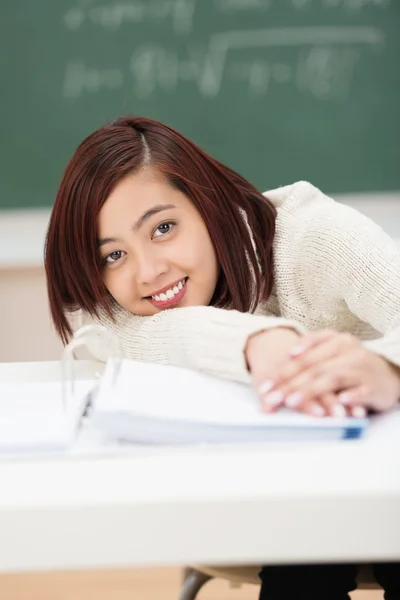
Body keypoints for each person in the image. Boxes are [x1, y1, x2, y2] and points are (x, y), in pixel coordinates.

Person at [45, 115, 400, 600]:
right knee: (302, 550)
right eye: (114, 255)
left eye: (163, 228)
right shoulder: (113, 310)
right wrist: (257, 344)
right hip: (283, 515)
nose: (148, 271)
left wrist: (386, 368)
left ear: (209, 203)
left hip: (386, 483)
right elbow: (107, 328)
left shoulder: (315, 235)